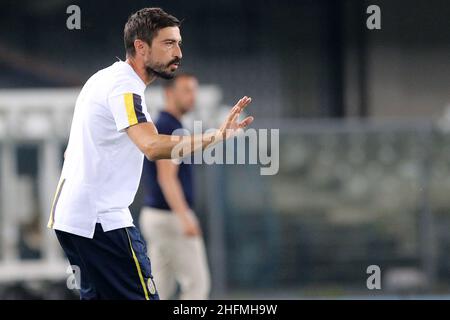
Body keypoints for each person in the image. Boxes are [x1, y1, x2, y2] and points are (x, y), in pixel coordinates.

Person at [47, 7, 253, 300]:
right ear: (140, 47)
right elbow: (152, 146)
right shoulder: (125, 86)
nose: (179, 52)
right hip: (101, 221)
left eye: (179, 43)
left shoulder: (106, 78)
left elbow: (72, 152)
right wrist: (216, 136)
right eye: (168, 43)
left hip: (73, 218)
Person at [139, 73, 210, 300]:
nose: (193, 97)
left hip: (157, 217)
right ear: (169, 93)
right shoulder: (168, 126)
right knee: (196, 288)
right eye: (186, 91)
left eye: (194, 91)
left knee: (159, 289)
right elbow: (167, 178)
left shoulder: (169, 125)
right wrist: (184, 218)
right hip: (171, 218)